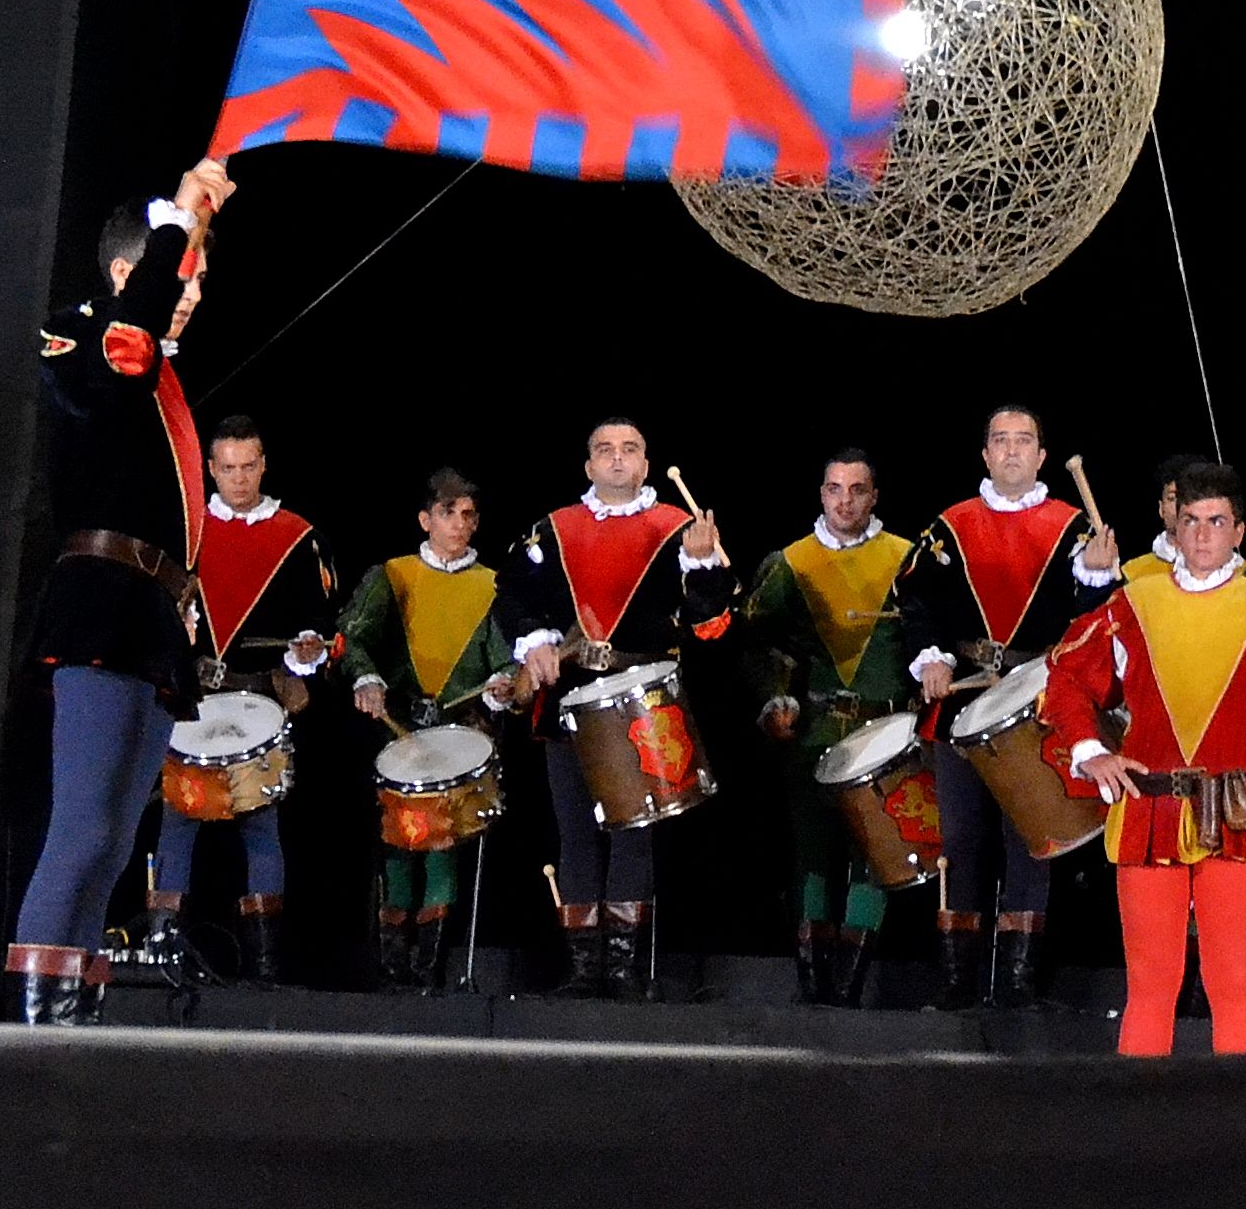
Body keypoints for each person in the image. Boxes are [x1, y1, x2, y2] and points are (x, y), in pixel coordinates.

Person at [2, 161, 235, 1024]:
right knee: (79, 827)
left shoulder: (161, 371)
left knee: (112, 839)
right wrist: (182, 218)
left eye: (200, 280)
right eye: (181, 276)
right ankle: (35, 1024)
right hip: (99, 602)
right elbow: (120, 362)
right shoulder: (79, 335)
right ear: (128, 276)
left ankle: (74, 1011)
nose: (194, 293)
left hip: (149, 615)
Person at [1040, 460, 1246, 1058]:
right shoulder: (1133, 605)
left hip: (1237, 815)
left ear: (1239, 531)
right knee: (1149, 990)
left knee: (1234, 989)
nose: (1201, 535)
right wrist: (1091, 752)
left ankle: (1242, 1137)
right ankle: (1141, 1135)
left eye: (1216, 522)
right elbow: (1064, 673)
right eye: (1190, 520)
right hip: (1150, 813)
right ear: (1175, 525)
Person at [892, 406, 1122, 1009]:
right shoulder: (949, 525)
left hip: (1037, 701)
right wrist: (930, 659)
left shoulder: (1075, 528)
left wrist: (1097, 583)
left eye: (1024, 441)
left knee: (1033, 834)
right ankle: (956, 980)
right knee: (960, 839)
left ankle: (1018, 981)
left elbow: (1099, 625)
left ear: (1042, 457)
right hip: (961, 700)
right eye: (1001, 440)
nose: (1013, 450)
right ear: (986, 454)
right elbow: (913, 600)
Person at [499, 418, 735, 998]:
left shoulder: (679, 529)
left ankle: (625, 970)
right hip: (570, 700)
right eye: (604, 450)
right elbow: (512, 597)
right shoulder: (552, 529)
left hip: (642, 702)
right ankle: (584, 970)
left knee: (633, 833)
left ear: (646, 465)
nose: (617, 459)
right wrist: (536, 642)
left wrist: (705, 566)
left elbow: (713, 625)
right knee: (576, 833)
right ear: (588, 467)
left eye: (629, 450)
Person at [140, 416, 335, 990]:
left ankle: (266, 965)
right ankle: (162, 948)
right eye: (227, 467)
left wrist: (306, 651)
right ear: (211, 469)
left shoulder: (297, 535)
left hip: (257, 698)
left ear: (264, 464)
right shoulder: (190, 528)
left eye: (248, 466)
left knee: (260, 825)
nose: (239, 478)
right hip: (195, 695)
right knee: (179, 820)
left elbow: (318, 620)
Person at [738, 448, 926, 1004]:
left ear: (875, 497)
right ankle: (813, 987)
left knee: (876, 857)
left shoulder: (906, 560)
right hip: (816, 734)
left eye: (857, 490)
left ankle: (851, 988)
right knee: (813, 856)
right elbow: (756, 643)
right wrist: (774, 699)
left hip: (886, 734)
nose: (845, 500)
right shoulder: (790, 563)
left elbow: (927, 636)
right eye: (834, 489)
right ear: (821, 495)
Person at [339, 470, 523, 995]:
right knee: (399, 840)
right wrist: (366, 680)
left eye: (468, 515)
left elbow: (504, 659)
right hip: (396, 732)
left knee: (442, 842)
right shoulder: (393, 576)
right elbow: (351, 639)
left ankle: (431, 972)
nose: (459, 525)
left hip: (458, 733)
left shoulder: (492, 585)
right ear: (425, 519)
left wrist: (501, 686)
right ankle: (393, 969)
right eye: (448, 514)